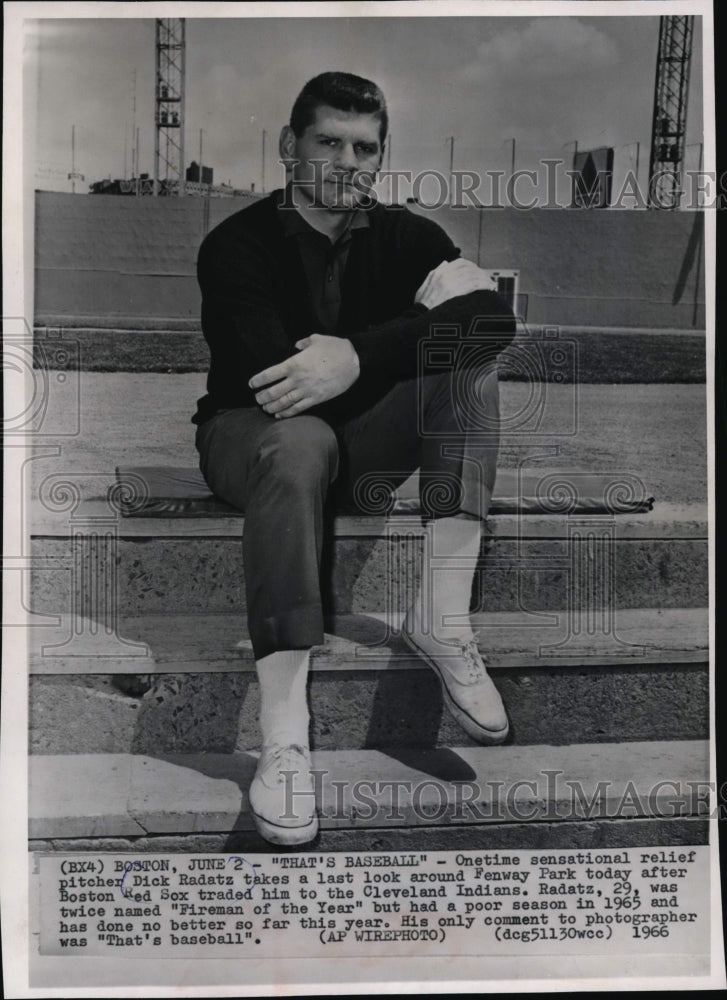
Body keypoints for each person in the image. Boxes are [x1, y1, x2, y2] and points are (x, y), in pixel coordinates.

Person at [193, 72, 517, 845]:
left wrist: (360, 355)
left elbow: (490, 319)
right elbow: (282, 383)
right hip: (250, 438)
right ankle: (284, 740)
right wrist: (404, 337)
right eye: (327, 142)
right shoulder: (237, 244)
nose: (347, 162)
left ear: (381, 155)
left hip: (354, 437)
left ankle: (440, 616)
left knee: (469, 371)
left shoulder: (407, 236)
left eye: (364, 147)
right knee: (302, 438)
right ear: (288, 147)